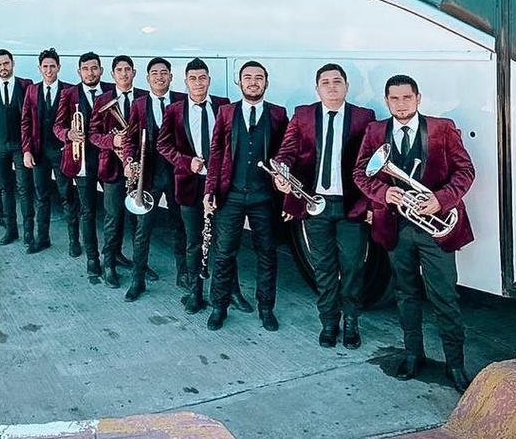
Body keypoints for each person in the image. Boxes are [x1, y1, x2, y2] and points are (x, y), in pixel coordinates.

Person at [353, 74, 476, 393]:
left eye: (407, 97)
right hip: (397, 228)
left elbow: (466, 171)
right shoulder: (375, 131)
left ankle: (455, 364)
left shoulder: (442, 128)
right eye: (394, 99)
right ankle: (412, 354)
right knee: (405, 294)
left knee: (445, 297)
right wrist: (384, 193)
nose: (401, 104)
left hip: (437, 229)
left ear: (418, 98)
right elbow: (360, 173)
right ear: (386, 100)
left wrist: (440, 199)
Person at [273, 63, 376, 349]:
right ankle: (329, 322)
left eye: (337, 81)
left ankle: (351, 322)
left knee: (353, 266)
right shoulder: (303, 115)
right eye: (326, 82)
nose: (332, 86)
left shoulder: (364, 117)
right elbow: (287, 152)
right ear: (317, 88)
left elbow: (372, 165)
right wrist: (281, 173)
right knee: (324, 267)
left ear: (347, 86)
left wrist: (370, 204)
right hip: (314, 204)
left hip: (350, 206)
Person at [157, 58, 251, 315]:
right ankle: (195, 292)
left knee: (225, 243)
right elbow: (163, 145)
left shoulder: (224, 106)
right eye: (193, 78)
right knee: (194, 242)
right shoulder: (174, 110)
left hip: (221, 185)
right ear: (185, 82)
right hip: (190, 184)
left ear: (209, 80)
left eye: (202, 78)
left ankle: (232, 291)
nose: (198, 83)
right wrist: (187, 162)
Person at [204, 61, 288, 332]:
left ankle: (266, 308)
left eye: (259, 77)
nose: (253, 82)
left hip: (264, 197)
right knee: (224, 253)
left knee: (267, 254)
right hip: (231, 195)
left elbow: (285, 155)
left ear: (267, 82)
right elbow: (216, 153)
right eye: (248, 77)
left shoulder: (278, 114)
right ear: (239, 83)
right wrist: (210, 190)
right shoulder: (226, 112)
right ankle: (219, 306)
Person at [120, 57, 185, 301]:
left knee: (180, 226)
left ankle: (183, 274)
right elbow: (129, 139)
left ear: (171, 77)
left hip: (177, 174)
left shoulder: (182, 100)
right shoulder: (139, 104)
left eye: (164, 72)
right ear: (147, 78)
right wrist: (128, 161)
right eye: (155, 73)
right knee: (143, 229)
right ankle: (138, 280)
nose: (159, 77)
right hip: (149, 176)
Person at [90, 55, 148, 289]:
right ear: (112, 74)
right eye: (119, 70)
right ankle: (109, 263)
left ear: (134, 72)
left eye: (127, 69)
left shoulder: (144, 98)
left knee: (138, 219)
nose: (124, 73)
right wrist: (112, 140)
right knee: (113, 218)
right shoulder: (102, 100)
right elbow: (93, 135)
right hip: (113, 169)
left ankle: (138, 262)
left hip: (138, 169)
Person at [53, 52, 112, 276]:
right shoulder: (69, 94)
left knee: (112, 212)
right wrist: (68, 134)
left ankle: (113, 254)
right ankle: (92, 258)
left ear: (101, 70)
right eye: (86, 69)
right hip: (83, 161)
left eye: (94, 68)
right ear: (79, 72)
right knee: (88, 212)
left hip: (108, 160)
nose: (90, 72)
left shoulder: (110, 91)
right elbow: (57, 126)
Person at [0, 49, 34, 246]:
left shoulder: (25, 85)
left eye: (6, 63)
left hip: (21, 146)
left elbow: (32, 117)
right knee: (5, 189)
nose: (3, 67)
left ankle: (29, 233)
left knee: (25, 189)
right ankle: (11, 230)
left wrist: (29, 146)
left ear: (12, 63)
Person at [21, 48, 70, 253]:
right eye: (45, 66)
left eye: (52, 66)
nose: (49, 70)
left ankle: (74, 242)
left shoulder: (68, 90)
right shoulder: (32, 90)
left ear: (59, 67)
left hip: (62, 152)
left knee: (67, 197)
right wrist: (26, 150)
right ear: (39, 68)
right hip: (39, 152)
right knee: (41, 197)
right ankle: (42, 239)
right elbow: (25, 122)